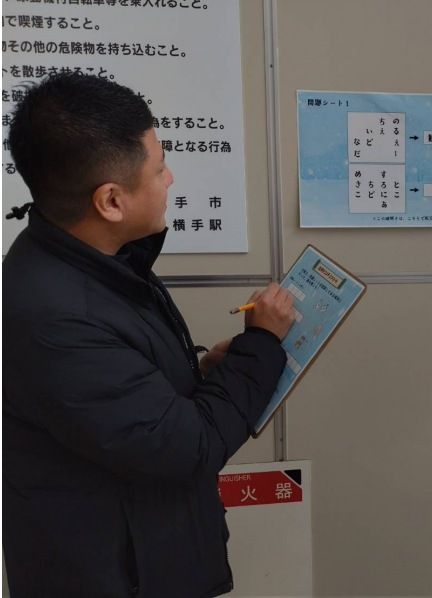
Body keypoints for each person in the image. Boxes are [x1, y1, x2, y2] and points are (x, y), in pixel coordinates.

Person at [2, 72, 296, 597]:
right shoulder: (54, 317)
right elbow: (188, 447)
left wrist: (197, 372)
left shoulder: (89, 262)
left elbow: (121, 397)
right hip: (111, 576)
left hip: (138, 556)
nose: (169, 180)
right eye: (158, 168)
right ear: (111, 200)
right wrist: (261, 347)